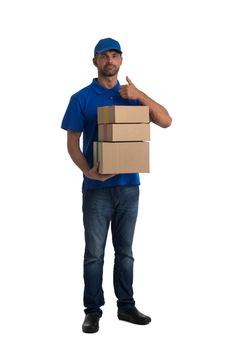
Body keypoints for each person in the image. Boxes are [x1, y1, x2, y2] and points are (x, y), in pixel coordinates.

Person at [61, 38, 172, 333]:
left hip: (129, 187)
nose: (109, 60)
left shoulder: (131, 95)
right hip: (96, 189)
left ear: (121, 61)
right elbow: (71, 143)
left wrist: (140, 94)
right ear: (95, 61)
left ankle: (126, 306)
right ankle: (93, 311)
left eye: (114, 55)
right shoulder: (81, 98)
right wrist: (89, 172)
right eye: (103, 56)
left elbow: (166, 121)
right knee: (94, 253)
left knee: (125, 251)